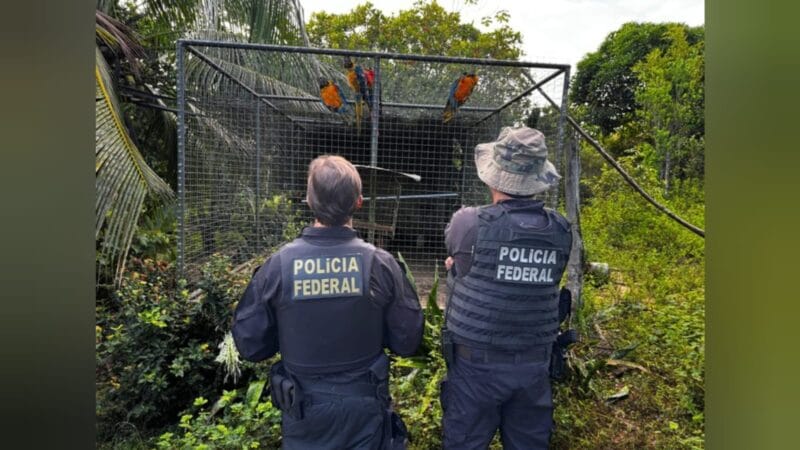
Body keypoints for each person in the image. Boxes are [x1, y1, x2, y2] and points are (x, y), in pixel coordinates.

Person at [232, 155, 424, 450]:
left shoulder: (278, 267)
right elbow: (407, 341)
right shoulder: (381, 265)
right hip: (365, 411)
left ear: (310, 201)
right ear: (359, 202)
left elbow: (251, 346)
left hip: (304, 414)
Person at [441, 126, 573, 449]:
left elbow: (461, 259)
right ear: (538, 177)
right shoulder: (561, 230)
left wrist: (457, 271)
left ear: (493, 175)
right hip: (533, 368)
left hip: (475, 370)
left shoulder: (468, 222)